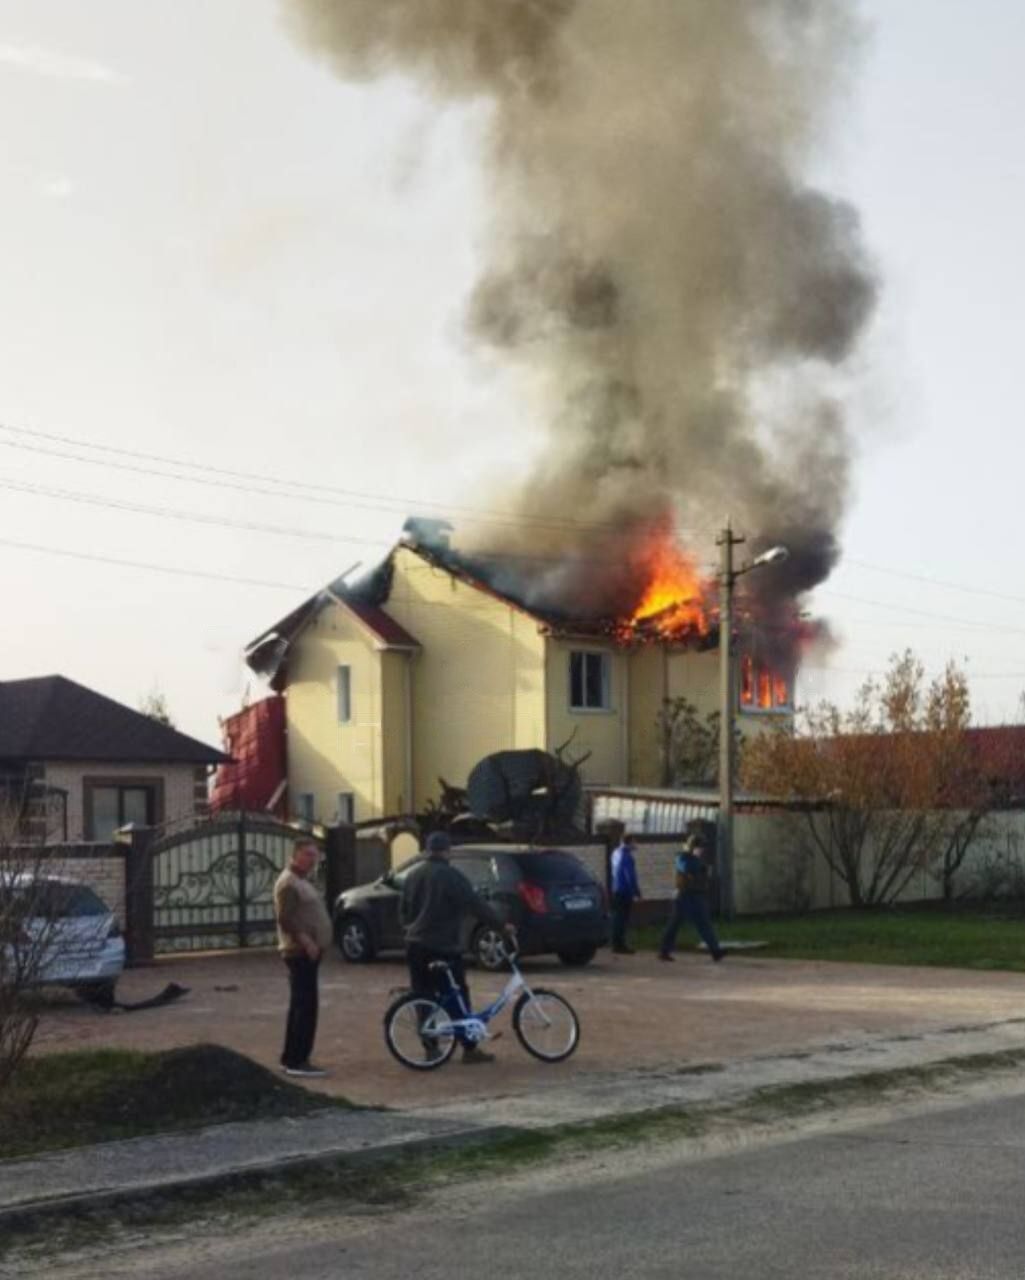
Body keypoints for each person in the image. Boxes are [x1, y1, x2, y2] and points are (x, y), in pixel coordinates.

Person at [400, 831, 515, 1065]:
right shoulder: (451, 876)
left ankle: (430, 1048)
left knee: (422, 995)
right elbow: (476, 905)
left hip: (415, 946)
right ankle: (469, 1048)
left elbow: (402, 910)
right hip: (443, 946)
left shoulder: (412, 876)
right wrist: (501, 926)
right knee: (456, 995)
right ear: (447, 852)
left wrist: (410, 929)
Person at [274, 840, 334, 1077]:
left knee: (302, 1005)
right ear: (296, 854)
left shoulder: (301, 881)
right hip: (299, 953)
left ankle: (292, 1057)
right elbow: (285, 918)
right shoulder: (289, 883)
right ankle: (297, 1061)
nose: (313, 860)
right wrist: (307, 941)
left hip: (307, 952)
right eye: (308, 855)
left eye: (315, 855)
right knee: (305, 1007)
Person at [657, 834, 726, 963]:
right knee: (675, 924)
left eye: (702, 848)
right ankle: (664, 951)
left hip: (697, 895)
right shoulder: (683, 857)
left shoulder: (696, 859)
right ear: (692, 847)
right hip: (683, 896)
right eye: (699, 847)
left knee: (705, 924)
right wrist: (701, 866)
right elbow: (687, 867)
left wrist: (702, 869)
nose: (702, 850)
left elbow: (703, 874)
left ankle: (715, 951)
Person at [609, 832, 642, 954]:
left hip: (616, 889)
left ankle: (615, 943)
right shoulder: (627, 856)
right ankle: (620, 945)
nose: (636, 844)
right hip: (625, 891)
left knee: (618, 917)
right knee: (622, 919)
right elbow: (630, 876)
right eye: (635, 841)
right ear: (630, 842)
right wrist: (636, 892)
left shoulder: (615, 853)